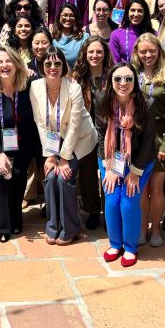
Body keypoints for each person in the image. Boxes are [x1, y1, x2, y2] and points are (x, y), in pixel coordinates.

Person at [30, 47, 97, 245]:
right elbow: (40, 124)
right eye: (48, 63)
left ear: (63, 66)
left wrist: (65, 158)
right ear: (42, 66)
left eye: (57, 63)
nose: (53, 67)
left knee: (63, 178)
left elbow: (75, 126)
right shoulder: (35, 87)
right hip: (53, 140)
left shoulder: (73, 87)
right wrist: (51, 156)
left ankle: (70, 229)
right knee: (51, 177)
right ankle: (53, 226)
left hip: (79, 139)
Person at [97, 62, 156, 267]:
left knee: (128, 202)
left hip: (139, 160)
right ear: (111, 81)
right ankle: (115, 244)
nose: (123, 83)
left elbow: (148, 141)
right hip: (110, 157)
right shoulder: (101, 99)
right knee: (112, 201)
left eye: (128, 79)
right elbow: (100, 134)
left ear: (135, 82)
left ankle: (130, 247)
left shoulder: (147, 103)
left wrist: (134, 172)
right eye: (118, 78)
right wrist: (110, 168)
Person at [0, 46, 39, 242]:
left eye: (8, 61)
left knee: (19, 179)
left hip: (23, 145)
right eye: (0, 62)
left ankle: (17, 220)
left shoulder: (28, 87)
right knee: (2, 181)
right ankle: (4, 226)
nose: (4, 65)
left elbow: (50, 79)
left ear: (16, 64)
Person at [132, 33, 165, 247]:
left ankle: (156, 229)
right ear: (137, 53)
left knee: (156, 189)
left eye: (152, 51)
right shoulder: (132, 73)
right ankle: (142, 228)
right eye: (143, 51)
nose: (148, 55)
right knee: (141, 189)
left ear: (159, 51)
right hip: (138, 140)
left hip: (160, 138)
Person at [72, 36, 112, 229]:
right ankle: (93, 210)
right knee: (87, 175)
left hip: (108, 132)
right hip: (85, 133)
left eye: (99, 52)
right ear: (85, 54)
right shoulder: (78, 77)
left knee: (108, 172)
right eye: (91, 52)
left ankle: (108, 212)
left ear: (105, 54)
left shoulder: (112, 75)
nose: (95, 55)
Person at [108, 0, 153, 65]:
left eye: (140, 11)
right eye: (132, 10)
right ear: (127, 12)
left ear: (145, 13)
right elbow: (114, 62)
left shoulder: (153, 34)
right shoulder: (116, 35)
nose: (136, 14)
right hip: (124, 71)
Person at [51, 3, 89, 70]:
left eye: (71, 15)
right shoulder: (52, 38)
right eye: (65, 15)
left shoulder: (84, 38)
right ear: (59, 17)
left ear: (76, 18)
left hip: (77, 74)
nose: (68, 18)